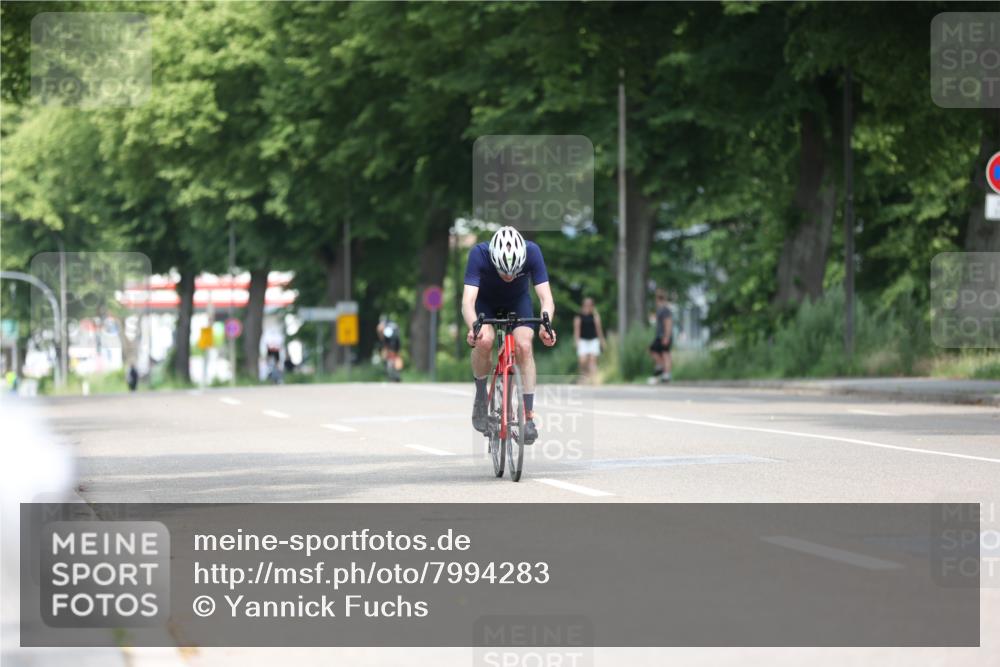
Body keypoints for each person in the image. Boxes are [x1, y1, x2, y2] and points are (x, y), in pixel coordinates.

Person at [462, 226, 557, 444]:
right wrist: (473, 327)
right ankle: (480, 395)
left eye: (514, 272)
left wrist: (546, 324)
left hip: (517, 302)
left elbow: (546, 299)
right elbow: (467, 301)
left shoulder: (532, 252)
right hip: (485, 303)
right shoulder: (479, 254)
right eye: (503, 271)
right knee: (484, 340)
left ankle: (529, 417)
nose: (509, 276)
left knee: (524, 346)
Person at [573, 297, 606, 384]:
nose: (588, 307)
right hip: (583, 340)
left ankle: (594, 380)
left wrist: (602, 341)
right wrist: (576, 342)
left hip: (593, 340)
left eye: (590, 305)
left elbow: (599, 329)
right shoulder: (579, 317)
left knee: (592, 360)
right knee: (582, 360)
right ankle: (584, 375)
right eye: (586, 305)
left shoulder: (595, 316)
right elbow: (577, 330)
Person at [648, 289, 673, 384]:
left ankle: (666, 374)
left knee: (666, 354)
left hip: (664, 336)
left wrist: (666, 336)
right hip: (659, 336)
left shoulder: (665, 309)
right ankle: (662, 368)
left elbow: (668, 323)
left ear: (658, 299)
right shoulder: (660, 310)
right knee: (653, 350)